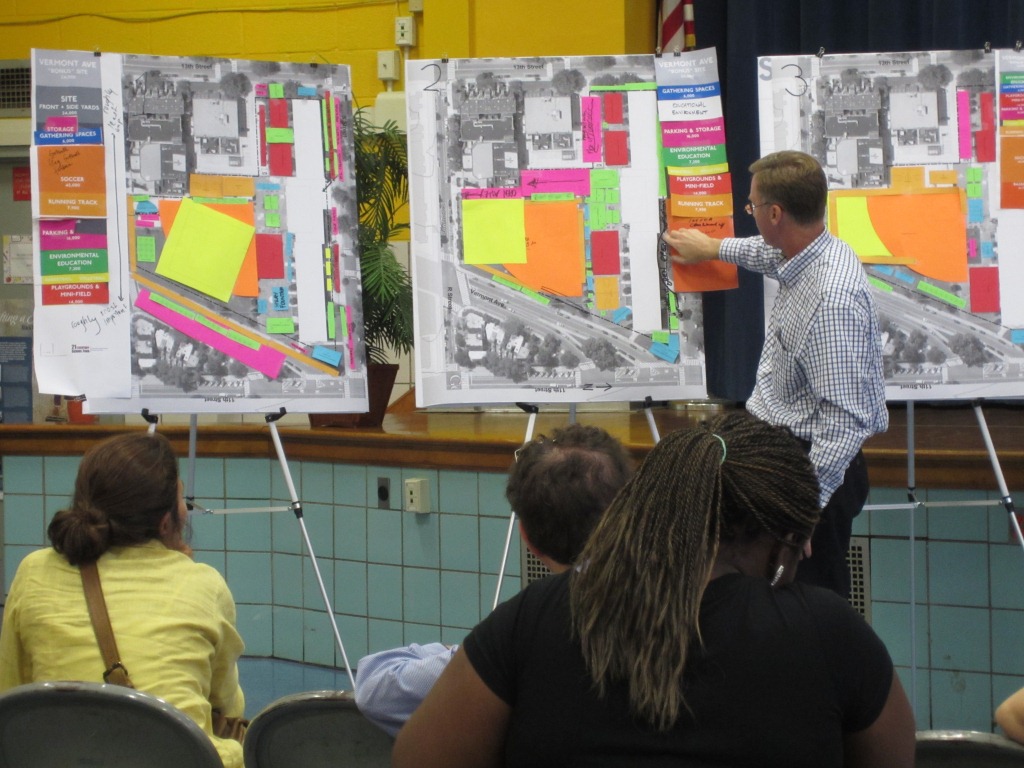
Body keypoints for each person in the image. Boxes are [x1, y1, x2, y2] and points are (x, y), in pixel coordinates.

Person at [393, 411, 915, 768]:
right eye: (801, 544)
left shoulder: (536, 617)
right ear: (783, 542)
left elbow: (419, 758)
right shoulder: (828, 634)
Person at [663, 149, 888, 599]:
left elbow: (846, 422)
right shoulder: (808, 249)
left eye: (751, 207)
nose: (750, 214)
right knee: (775, 602)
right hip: (789, 457)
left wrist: (802, 513)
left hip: (811, 470)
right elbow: (767, 254)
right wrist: (713, 247)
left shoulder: (831, 300)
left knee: (808, 605)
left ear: (775, 213)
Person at [355, 424, 633, 737]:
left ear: (527, 538)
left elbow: (375, 690)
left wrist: (460, 651)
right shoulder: (683, 606)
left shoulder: (517, 633)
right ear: (630, 512)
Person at [0, 432, 246, 768]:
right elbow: (227, 707)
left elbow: (12, 692)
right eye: (180, 501)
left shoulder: (34, 571)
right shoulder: (204, 584)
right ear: (164, 522)